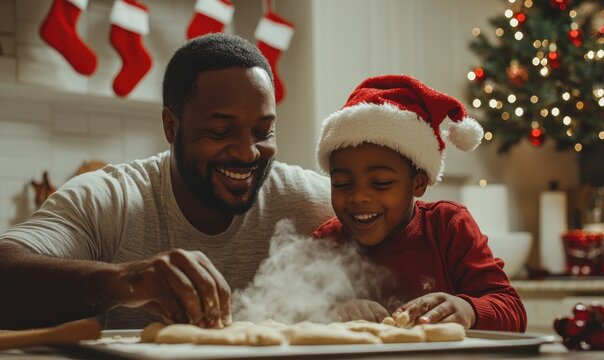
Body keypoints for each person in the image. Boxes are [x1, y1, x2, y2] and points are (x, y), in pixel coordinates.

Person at [0, 33, 333, 330]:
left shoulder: (306, 199)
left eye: (263, 131)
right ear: (171, 127)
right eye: (220, 131)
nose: (248, 154)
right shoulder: (112, 199)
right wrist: (125, 281)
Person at [312, 74, 527, 332]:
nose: (358, 197)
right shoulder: (327, 243)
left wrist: (467, 310)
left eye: (380, 183)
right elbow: (289, 313)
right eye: (342, 184)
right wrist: (329, 313)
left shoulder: (448, 227)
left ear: (419, 183)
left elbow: (512, 310)